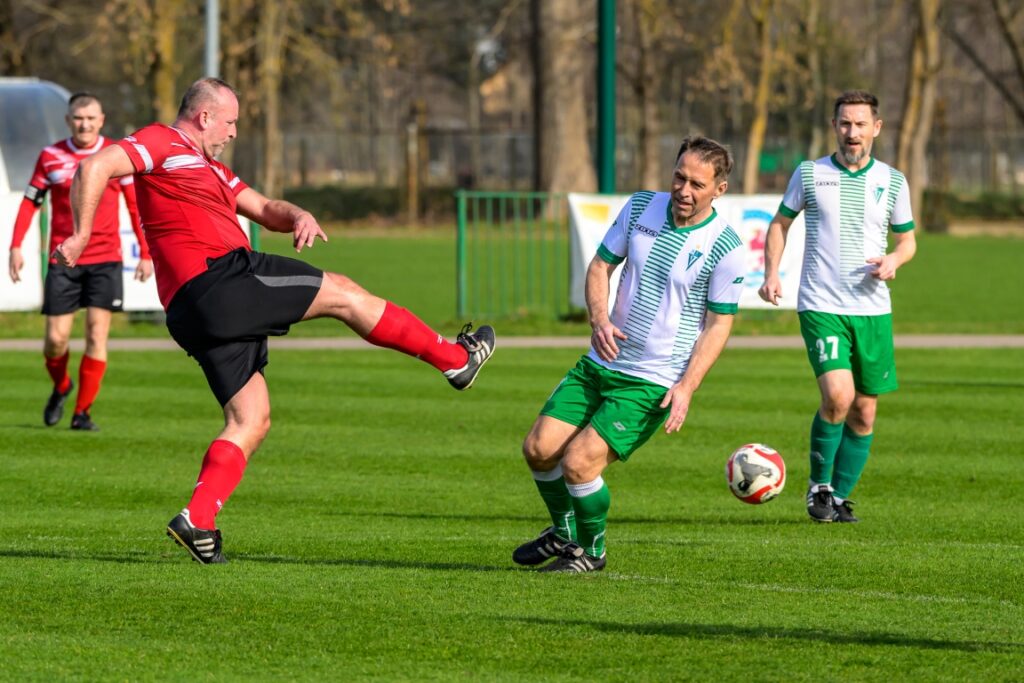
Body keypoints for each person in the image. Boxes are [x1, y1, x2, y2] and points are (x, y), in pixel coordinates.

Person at [56, 77, 495, 564]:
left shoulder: (212, 170)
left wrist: (299, 214)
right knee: (345, 293)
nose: (234, 132)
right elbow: (96, 166)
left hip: (192, 310)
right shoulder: (162, 141)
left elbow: (266, 209)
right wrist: (80, 235)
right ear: (205, 117)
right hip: (219, 279)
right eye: (231, 121)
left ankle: (197, 520)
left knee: (251, 419)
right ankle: (456, 359)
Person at [514, 136, 746, 573]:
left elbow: (719, 324)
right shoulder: (641, 207)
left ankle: (592, 552)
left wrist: (686, 387)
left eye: (697, 183)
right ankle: (565, 534)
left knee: (579, 463)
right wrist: (599, 320)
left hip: (652, 380)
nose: (683, 190)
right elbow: (601, 266)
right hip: (601, 361)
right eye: (679, 177)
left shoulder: (726, 247)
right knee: (538, 449)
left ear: (719, 189)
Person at [758, 90, 917, 523]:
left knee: (864, 410)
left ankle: (839, 497)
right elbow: (779, 223)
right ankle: (818, 487)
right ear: (834, 127)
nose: (852, 132)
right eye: (845, 124)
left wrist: (893, 260)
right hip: (821, 303)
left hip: (873, 309)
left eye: (860, 124)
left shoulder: (893, 181)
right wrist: (771, 272)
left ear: (876, 128)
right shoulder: (809, 174)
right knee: (838, 396)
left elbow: (907, 241)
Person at [8, 92, 153, 431]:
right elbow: (30, 203)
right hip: (64, 260)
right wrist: (16, 246)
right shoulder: (50, 157)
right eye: (78, 118)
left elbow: (135, 207)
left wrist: (146, 253)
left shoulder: (116, 157)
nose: (84, 124)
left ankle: (82, 413)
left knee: (96, 335)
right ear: (68, 121)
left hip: (106, 259)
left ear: (101, 120)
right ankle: (61, 386)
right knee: (56, 339)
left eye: (91, 118)